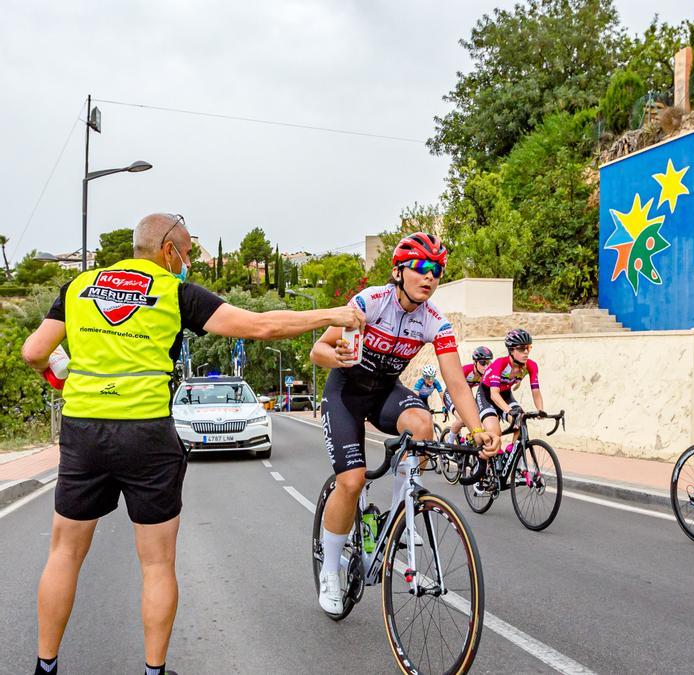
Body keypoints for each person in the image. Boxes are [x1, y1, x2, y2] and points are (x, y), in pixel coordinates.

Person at [20, 213, 365, 675]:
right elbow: (259, 326)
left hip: (85, 430)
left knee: (63, 552)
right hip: (145, 430)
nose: (188, 265)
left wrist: (61, 376)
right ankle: (154, 671)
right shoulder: (173, 292)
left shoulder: (79, 286)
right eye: (185, 254)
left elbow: (33, 351)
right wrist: (329, 315)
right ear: (168, 251)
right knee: (158, 563)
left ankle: (45, 667)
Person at [310, 232, 499, 615]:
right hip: (345, 390)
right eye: (422, 268)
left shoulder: (435, 322)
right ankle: (330, 568)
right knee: (352, 481)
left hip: (383, 392)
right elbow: (318, 350)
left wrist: (478, 428)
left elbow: (457, 383)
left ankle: (402, 514)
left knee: (423, 423)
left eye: (437, 271)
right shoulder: (370, 302)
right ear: (399, 271)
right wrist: (339, 358)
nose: (429, 277)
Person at [474, 329, 544, 461]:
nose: (526, 352)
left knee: (521, 421)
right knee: (494, 433)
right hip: (486, 394)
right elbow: (494, 395)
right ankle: (482, 465)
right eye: (522, 348)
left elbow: (536, 391)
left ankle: (511, 454)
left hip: (505, 394)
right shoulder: (500, 364)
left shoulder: (531, 366)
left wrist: (540, 410)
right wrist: (510, 411)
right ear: (511, 350)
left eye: (529, 348)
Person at [446, 346, 494, 442]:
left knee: (477, 418)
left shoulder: (486, 375)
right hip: (451, 394)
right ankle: (449, 441)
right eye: (482, 363)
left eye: (488, 363)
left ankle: (470, 438)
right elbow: (454, 386)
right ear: (475, 363)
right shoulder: (466, 371)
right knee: (462, 420)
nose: (486, 366)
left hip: (465, 395)